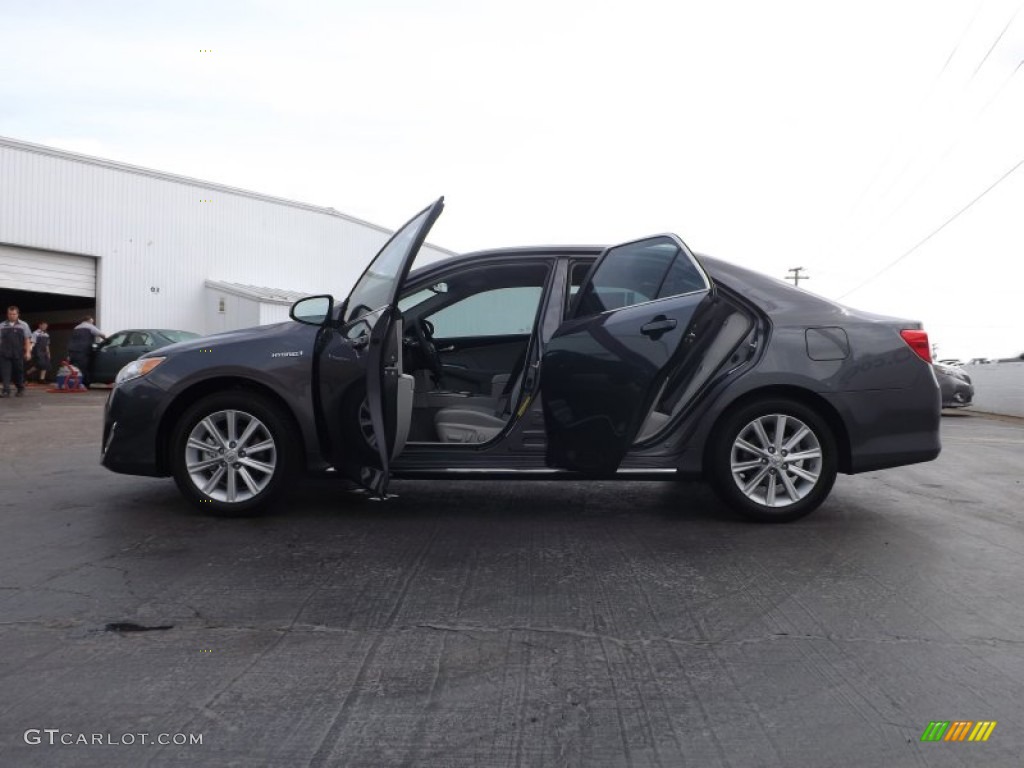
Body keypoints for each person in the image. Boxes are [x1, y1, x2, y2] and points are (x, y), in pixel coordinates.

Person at [0, 305, 33, 398]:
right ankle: (6, 391)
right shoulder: (2, 326)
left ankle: (20, 388)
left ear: (18, 314)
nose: (12, 316)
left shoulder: (24, 325)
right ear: (7, 314)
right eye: (10, 314)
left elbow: (27, 339)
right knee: (5, 372)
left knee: (17, 372)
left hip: (18, 354)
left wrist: (28, 352)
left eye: (14, 314)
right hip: (4, 354)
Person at [67, 315, 106, 389]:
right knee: (84, 367)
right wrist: (106, 340)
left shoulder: (76, 327)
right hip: (83, 350)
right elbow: (101, 334)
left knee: (74, 367)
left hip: (72, 350)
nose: (92, 323)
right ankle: (85, 383)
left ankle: (74, 383)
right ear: (88, 321)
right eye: (92, 321)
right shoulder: (89, 326)